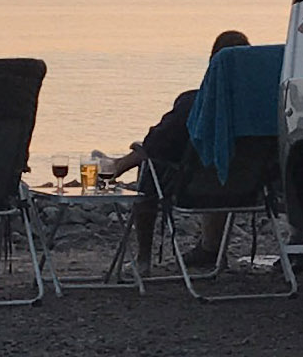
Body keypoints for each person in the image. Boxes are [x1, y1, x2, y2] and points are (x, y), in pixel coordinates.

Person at [104, 29, 250, 274]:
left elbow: (156, 145)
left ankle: (143, 260)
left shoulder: (196, 103)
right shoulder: (260, 111)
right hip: (248, 188)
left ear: (213, 65)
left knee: (151, 165)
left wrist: (142, 150)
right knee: (215, 165)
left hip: (195, 189)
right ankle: (211, 248)